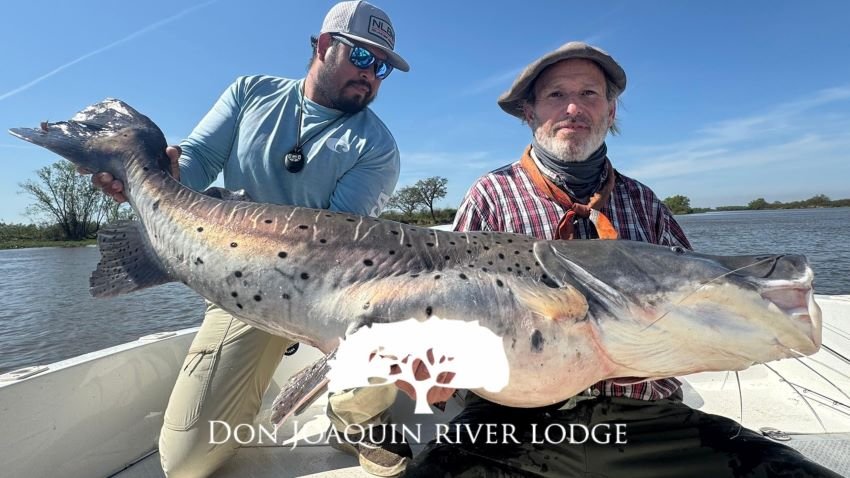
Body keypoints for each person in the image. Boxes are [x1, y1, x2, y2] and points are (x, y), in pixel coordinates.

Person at [402, 42, 841, 477]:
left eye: (590, 94)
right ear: (530, 113)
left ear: (610, 113)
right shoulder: (491, 197)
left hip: (647, 421)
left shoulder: (643, 202)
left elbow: (697, 302)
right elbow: (441, 303)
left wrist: (757, 330)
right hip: (514, 424)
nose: (573, 107)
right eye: (556, 95)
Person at [90, 2, 413, 477]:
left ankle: (356, 420)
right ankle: (253, 382)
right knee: (185, 462)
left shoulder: (377, 147)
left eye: (382, 67)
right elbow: (195, 164)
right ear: (324, 46)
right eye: (362, 58)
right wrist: (149, 176)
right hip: (237, 284)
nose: (372, 76)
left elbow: (342, 244)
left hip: (333, 291)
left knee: (396, 314)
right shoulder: (250, 92)